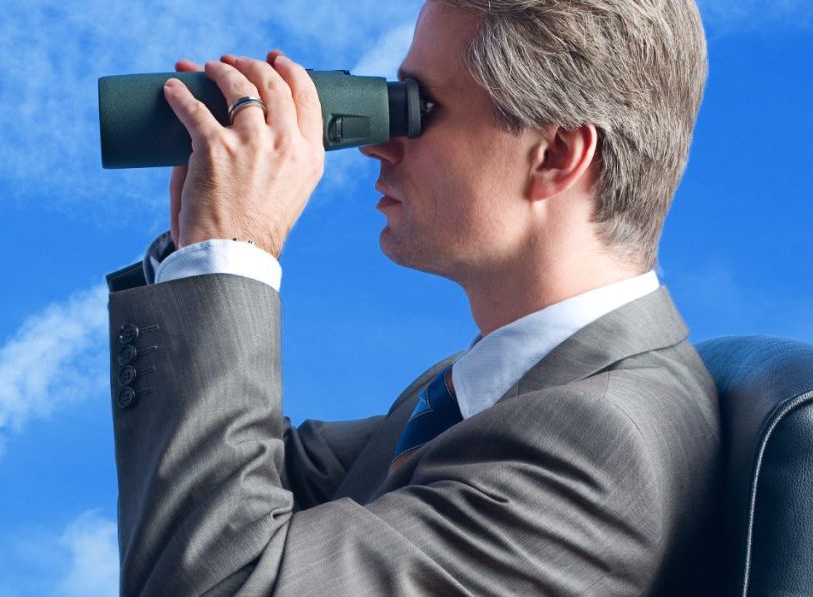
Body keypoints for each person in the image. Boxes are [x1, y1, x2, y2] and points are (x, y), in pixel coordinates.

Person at [104, 0, 721, 594]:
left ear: (555, 156)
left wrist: (230, 256)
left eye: (420, 107)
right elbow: (238, 488)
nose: (377, 145)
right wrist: (198, 246)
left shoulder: (598, 447)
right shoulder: (483, 388)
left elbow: (217, 579)